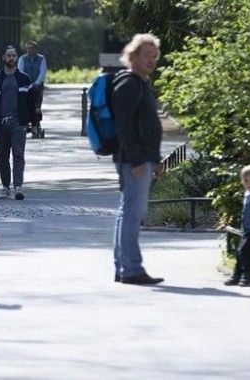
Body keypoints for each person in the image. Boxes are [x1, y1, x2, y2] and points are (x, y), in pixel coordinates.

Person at [111, 34, 165, 285]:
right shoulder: (129, 84)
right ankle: (131, 269)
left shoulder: (141, 82)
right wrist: (136, 161)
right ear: (132, 56)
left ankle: (123, 267)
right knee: (132, 214)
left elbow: (147, 126)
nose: (151, 61)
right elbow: (125, 127)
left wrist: (155, 159)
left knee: (127, 212)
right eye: (146, 56)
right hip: (134, 161)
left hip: (142, 159)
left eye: (154, 56)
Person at [0, 46, 36, 200]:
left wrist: (35, 124)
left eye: (14, 55)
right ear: (3, 58)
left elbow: (32, 103)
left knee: (18, 154)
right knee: (3, 156)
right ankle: (5, 187)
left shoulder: (24, 78)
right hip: (0, 123)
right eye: (8, 55)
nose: (11, 58)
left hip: (19, 123)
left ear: (17, 58)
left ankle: (18, 186)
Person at [17, 41, 47, 135]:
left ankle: (37, 124)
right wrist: (25, 83)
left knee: (37, 106)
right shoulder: (22, 59)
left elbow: (42, 72)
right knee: (25, 105)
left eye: (31, 48)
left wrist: (37, 83)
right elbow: (20, 71)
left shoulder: (41, 58)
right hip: (25, 86)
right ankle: (25, 123)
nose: (30, 50)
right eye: (28, 48)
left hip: (37, 86)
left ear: (35, 49)